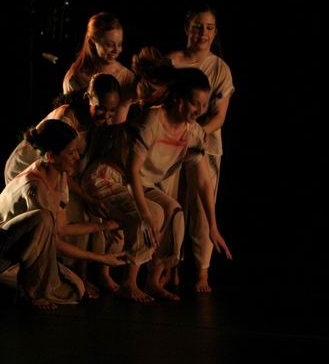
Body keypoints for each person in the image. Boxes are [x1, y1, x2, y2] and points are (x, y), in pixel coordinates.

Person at [83, 67, 231, 303]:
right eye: (194, 104)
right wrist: (144, 214)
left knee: (174, 214)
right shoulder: (153, 120)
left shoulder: (192, 133)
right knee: (152, 213)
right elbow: (132, 170)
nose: (200, 111)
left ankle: (152, 280)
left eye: (203, 105)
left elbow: (203, 181)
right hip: (109, 177)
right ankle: (129, 283)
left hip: (139, 182)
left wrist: (213, 226)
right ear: (178, 99)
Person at [0, 119, 127, 310]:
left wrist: (104, 226)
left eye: (76, 151)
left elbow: (61, 229)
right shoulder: (34, 186)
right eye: (70, 153)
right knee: (42, 218)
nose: (77, 157)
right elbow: (53, 241)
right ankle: (29, 293)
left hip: (14, 256)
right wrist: (100, 258)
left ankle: (3, 289)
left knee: (76, 289)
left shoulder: (60, 175)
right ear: (51, 156)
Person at [4, 73, 121, 296]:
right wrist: (87, 198)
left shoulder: (94, 123)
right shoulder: (64, 120)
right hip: (29, 169)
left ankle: (80, 275)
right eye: (101, 108)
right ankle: (46, 275)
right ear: (88, 98)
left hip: (56, 171)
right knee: (49, 224)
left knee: (81, 214)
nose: (106, 115)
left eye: (111, 111)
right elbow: (57, 165)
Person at [167, 5, 235, 292]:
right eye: (197, 26)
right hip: (169, 142)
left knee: (202, 207)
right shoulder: (171, 62)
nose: (203, 32)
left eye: (208, 27)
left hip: (202, 145)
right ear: (187, 28)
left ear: (215, 32)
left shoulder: (220, 69)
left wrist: (195, 134)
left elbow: (219, 116)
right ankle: (169, 265)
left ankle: (202, 271)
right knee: (171, 204)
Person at [62, 12, 136, 123]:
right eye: (109, 44)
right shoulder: (75, 78)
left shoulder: (127, 77)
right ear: (92, 43)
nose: (117, 50)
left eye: (119, 44)